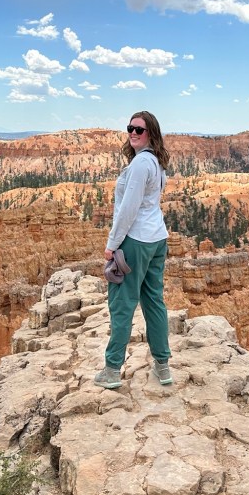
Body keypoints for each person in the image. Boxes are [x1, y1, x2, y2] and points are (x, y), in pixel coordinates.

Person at [95, 110, 173, 389]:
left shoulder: (140, 164)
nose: (133, 133)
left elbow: (128, 209)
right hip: (157, 239)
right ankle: (163, 367)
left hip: (136, 240)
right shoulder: (156, 162)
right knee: (154, 301)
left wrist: (112, 244)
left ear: (151, 133)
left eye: (139, 129)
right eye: (130, 128)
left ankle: (112, 370)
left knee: (122, 303)